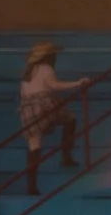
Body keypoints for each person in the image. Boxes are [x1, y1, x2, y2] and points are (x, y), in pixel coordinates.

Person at [18, 42, 89, 188]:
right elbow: (54, 85)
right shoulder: (45, 68)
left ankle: (31, 185)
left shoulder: (28, 71)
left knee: (34, 144)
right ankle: (66, 156)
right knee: (70, 119)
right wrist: (77, 83)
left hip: (28, 108)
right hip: (44, 105)